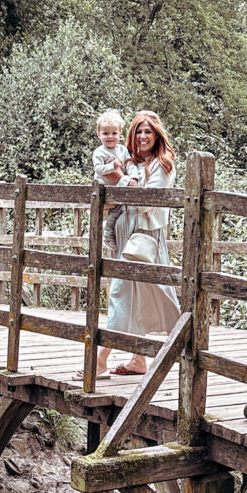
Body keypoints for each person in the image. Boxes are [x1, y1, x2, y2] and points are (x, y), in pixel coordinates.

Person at [81, 110, 181, 379]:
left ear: (156, 134)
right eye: (138, 131)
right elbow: (106, 186)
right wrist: (115, 197)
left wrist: (122, 193)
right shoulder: (129, 160)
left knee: (128, 292)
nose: (143, 136)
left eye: (148, 131)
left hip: (145, 236)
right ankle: (138, 359)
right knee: (132, 294)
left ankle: (100, 360)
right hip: (126, 231)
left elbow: (149, 200)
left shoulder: (164, 164)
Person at [92, 109, 128, 254]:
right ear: (99, 134)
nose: (110, 137)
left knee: (119, 210)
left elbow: (129, 164)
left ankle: (111, 233)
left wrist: (133, 177)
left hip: (118, 187)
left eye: (114, 133)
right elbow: (99, 169)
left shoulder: (123, 150)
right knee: (109, 212)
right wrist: (112, 166)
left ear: (120, 133)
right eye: (105, 133)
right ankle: (107, 233)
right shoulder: (99, 152)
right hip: (104, 187)